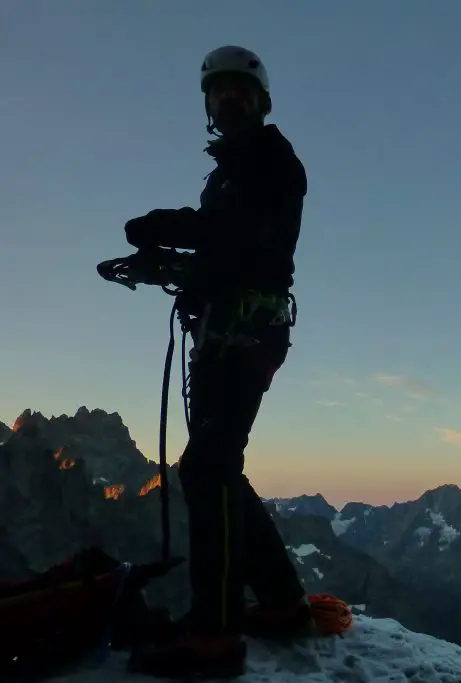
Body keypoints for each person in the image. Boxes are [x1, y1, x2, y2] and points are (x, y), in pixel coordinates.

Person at [123, 45, 311, 678]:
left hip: (243, 334)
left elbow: (238, 238)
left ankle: (216, 631)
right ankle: (282, 602)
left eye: (240, 91)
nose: (228, 100)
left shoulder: (270, 161)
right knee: (217, 465)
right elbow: (225, 250)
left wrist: (168, 229)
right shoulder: (231, 170)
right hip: (228, 330)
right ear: (208, 104)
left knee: (207, 467)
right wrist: (171, 261)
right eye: (218, 91)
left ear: (261, 102)